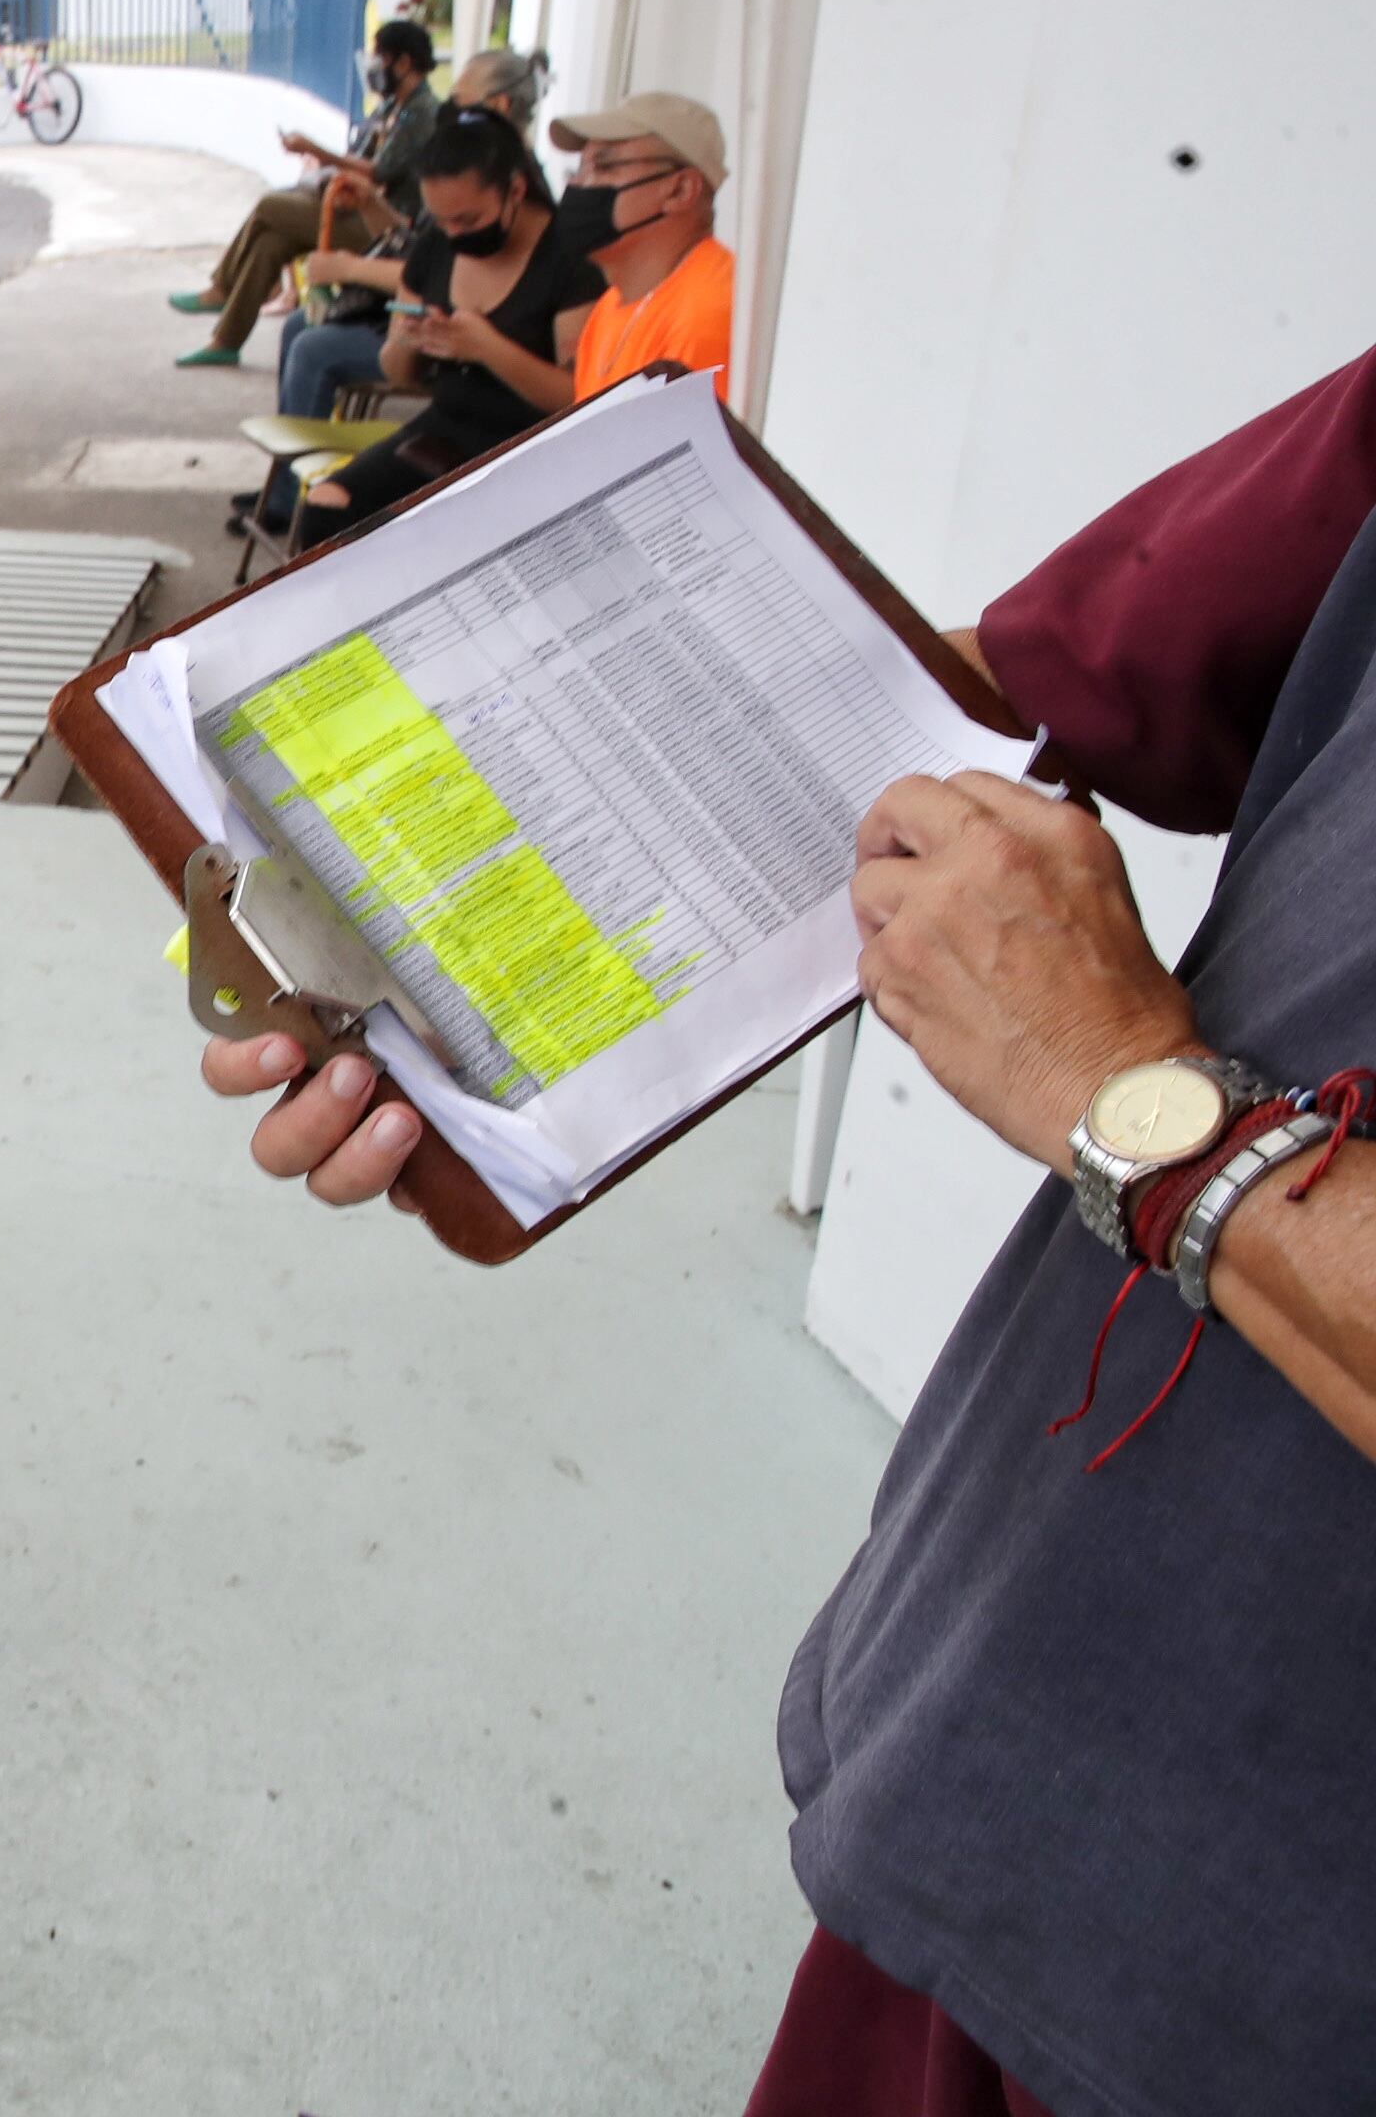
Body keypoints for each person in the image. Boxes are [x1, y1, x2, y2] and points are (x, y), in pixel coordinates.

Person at [200, 345, 1376, 2115]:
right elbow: (975, 709)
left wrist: (1132, 1095)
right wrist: (451, 926)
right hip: (998, 1725)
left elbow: (1095, 1034)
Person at [244, 50, 545, 536]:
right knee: (300, 322)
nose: (450, 111)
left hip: (483, 405)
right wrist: (372, 209)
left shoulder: (514, 196)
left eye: (460, 101)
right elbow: (419, 250)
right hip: (442, 377)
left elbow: (434, 266)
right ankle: (286, 489)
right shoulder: (459, 170)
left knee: (314, 347)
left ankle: (283, 499)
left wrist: (354, 269)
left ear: (500, 106)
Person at [283, 106, 604, 536]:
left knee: (433, 535)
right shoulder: (438, 246)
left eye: (468, 219)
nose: (454, 233)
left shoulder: (568, 258)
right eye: (441, 220)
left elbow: (576, 395)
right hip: (446, 428)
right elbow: (397, 372)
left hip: (531, 442)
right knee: (327, 507)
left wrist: (486, 347)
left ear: (515, 190)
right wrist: (409, 340)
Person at [173, 17, 439, 368]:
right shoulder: (392, 106)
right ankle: (225, 341)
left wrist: (314, 149)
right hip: (356, 209)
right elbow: (360, 154)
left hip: (386, 229)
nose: (375, 69)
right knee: (271, 242)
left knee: (271, 206)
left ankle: (222, 287)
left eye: (382, 59)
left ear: (404, 63)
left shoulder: (422, 113)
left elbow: (379, 170)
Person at [547, 90, 736, 404]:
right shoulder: (610, 307)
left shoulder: (705, 313)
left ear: (680, 190)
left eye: (605, 166)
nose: (579, 185)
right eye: (580, 169)